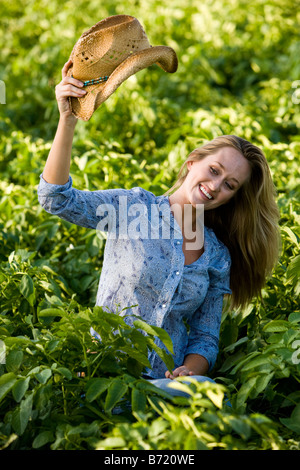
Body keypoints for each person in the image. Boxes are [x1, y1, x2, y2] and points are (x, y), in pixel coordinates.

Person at [37, 60, 280, 397]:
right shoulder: (132, 209)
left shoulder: (217, 256)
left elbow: (205, 338)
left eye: (230, 184)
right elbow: (56, 198)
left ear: (233, 199)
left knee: (208, 393)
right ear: (193, 161)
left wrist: (188, 371)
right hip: (102, 379)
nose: (215, 185)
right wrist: (67, 120)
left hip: (165, 391)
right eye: (213, 170)